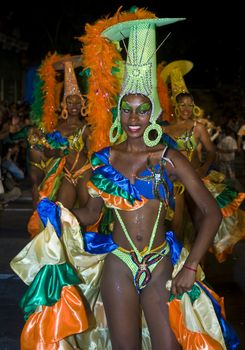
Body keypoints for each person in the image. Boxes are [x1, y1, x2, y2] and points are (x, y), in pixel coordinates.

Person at [10, 8, 239, 350]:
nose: (134, 117)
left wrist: (191, 266)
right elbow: (91, 214)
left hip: (160, 262)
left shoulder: (168, 158)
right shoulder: (105, 158)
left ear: (153, 113)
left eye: (142, 109)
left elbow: (211, 212)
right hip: (119, 262)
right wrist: (59, 213)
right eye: (127, 108)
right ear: (118, 111)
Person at [160, 62, 245, 263]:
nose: (187, 108)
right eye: (183, 104)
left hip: (196, 178)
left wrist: (203, 169)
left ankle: (198, 266)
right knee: (177, 223)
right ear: (175, 105)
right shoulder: (165, 129)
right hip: (175, 181)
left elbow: (211, 151)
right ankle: (177, 261)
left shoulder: (198, 127)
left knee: (200, 221)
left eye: (190, 104)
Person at [27, 53, 92, 236]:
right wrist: (52, 151)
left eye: (76, 101)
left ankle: (85, 252)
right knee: (62, 215)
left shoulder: (86, 128)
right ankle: (62, 253)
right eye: (69, 101)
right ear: (63, 104)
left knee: (86, 216)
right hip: (65, 174)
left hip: (83, 171)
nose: (73, 105)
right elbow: (47, 153)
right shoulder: (56, 127)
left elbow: (92, 152)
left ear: (82, 104)